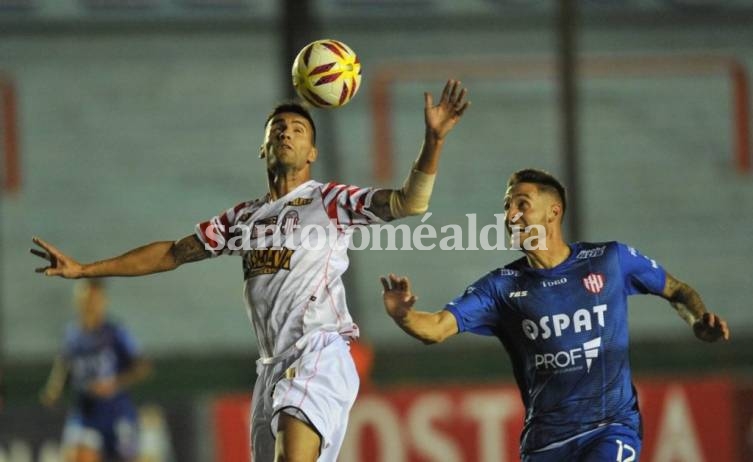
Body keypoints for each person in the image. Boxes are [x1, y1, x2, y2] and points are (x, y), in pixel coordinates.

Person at [31, 80, 470, 462]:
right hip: (271, 367)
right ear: (263, 147)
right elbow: (171, 253)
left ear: (312, 151)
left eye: (298, 129)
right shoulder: (242, 219)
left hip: (319, 350)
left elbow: (409, 203)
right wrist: (86, 269)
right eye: (277, 128)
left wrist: (433, 142)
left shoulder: (330, 201)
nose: (286, 132)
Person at [380, 168, 730, 462]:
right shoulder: (501, 288)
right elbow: (436, 329)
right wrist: (403, 316)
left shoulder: (609, 260)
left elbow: (678, 291)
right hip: (544, 444)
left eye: (522, 205)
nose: (511, 216)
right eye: (506, 208)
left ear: (554, 211)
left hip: (611, 426)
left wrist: (697, 321)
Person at [40, 279, 152, 462]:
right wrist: (54, 388)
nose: (90, 305)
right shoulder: (72, 334)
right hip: (85, 414)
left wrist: (114, 384)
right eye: (86, 300)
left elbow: (143, 367)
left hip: (116, 413)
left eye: (95, 300)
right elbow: (64, 362)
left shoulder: (116, 332)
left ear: (103, 301)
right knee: (77, 456)